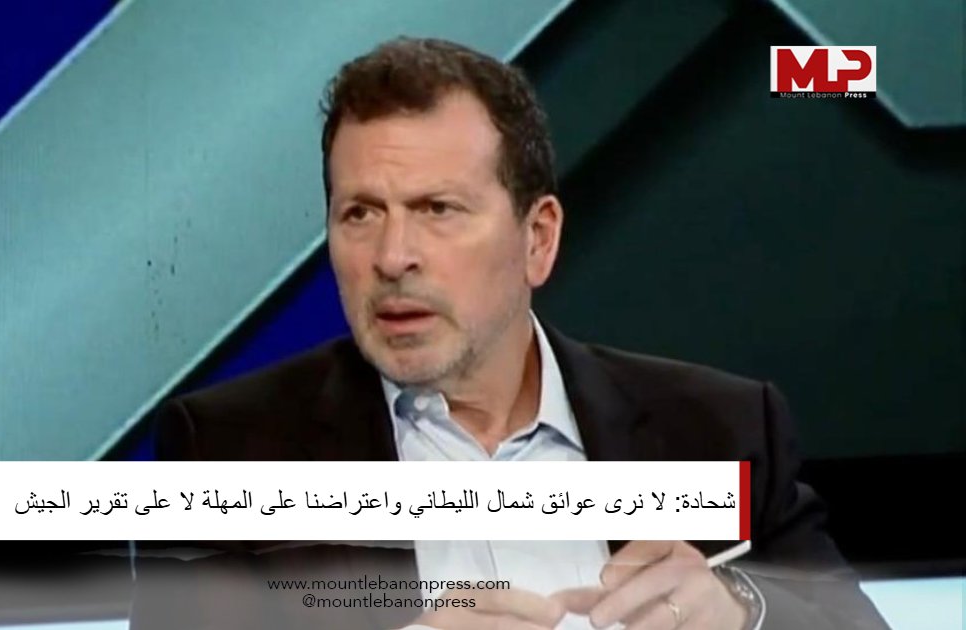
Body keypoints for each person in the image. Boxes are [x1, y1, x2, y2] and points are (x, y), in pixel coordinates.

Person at [131, 37, 891, 630]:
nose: (392, 257)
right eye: (360, 213)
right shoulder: (226, 450)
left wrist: (742, 611)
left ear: (538, 239)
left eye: (438, 209)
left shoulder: (719, 429)